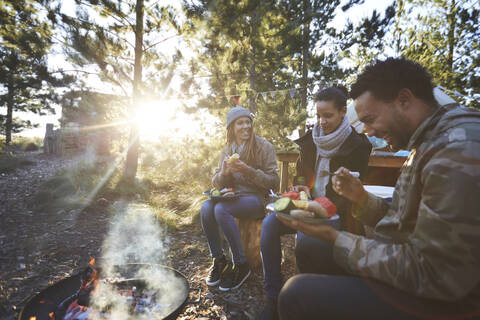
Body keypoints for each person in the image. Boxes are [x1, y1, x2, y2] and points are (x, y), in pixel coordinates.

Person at [276, 57, 480, 319]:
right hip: (413, 266)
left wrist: (338, 239)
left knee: (296, 294)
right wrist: (360, 198)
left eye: (370, 119)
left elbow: (436, 274)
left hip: (448, 301)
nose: (369, 131)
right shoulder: (427, 140)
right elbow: (404, 219)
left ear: (404, 100)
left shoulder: (456, 150)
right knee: (309, 248)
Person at [257, 86, 372, 320]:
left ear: (343, 113)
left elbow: (352, 191)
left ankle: (307, 299)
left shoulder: (358, 146)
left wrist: (321, 205)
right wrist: (300, 186)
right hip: (306, 206)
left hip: (336, 213)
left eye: (328, 116)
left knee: (305, 245)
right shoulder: (311, 139)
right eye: (319, 115)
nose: (322, 122)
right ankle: (273, 298)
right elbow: (301, 173)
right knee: (269, 225)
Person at [201, 106, 279, 292]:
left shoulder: (264, 146)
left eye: (248, 122)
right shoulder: (227, 150)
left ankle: (241, 264)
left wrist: (249, 171)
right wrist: (224, 174)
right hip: (232, 197)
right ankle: (219, 259)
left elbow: (274, 182)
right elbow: (217, 182)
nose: (246, 126)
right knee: (206, 207)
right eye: (240, 123)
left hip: (257, 199)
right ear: (231, 128)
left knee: (221, 210)